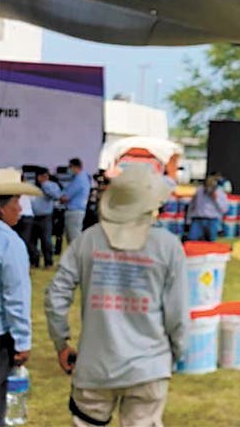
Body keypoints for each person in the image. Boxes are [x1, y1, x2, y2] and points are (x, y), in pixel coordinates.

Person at [45, 164, 188, 427]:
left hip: (95, 365)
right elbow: (177, 313)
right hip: (149, 367)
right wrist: (177, 353)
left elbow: (56, 294)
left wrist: (61, 342)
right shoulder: (168, 246)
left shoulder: (88, 240)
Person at [0, 169, 38, 426]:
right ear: (1, 207)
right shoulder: (9, 243)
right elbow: (16, 298)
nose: (20, 209)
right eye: (16, 202)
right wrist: (23, 341)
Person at [29, 167, 63, 268]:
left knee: (46, 241)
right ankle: (34, 262)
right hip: (32, 216)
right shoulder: (31, 185)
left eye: (46, 176)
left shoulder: (52, 185)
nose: (44, 178)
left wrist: (45, 184)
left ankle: (48, 262)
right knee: (32, 241)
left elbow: (57, 196)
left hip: (45, 216)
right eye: (41, 176)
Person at [58, 157, 92, 247]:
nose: (69, 169)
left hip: (74, 211)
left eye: (70, 167)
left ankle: (78, 255)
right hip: (78, 211)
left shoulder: (79, 179)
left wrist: (59, 198)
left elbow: (66, 197)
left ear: (75, 167)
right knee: (74, 237)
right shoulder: (84, 177)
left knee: (73, 238)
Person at [186, 173, 229, 241]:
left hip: (212, 221)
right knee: (192, 240)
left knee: (211, 241)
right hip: (198, 219)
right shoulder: (199, 190)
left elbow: (224, 209)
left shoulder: (220, 192)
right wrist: (188, 220)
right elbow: (192, 205)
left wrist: (216, 199)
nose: (208, 189)